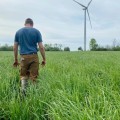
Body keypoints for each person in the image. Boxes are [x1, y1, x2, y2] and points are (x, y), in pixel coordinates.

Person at [13, 18, 46, 94]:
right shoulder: (37, 31)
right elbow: (41, 47)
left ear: (25, 24)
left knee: (24, 76)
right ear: (32, 24)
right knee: (34, 77)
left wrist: (16, 60)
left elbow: (15, 47)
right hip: (34, 56)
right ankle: (34, 95)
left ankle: (23, 94)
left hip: (23, 57)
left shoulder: (18, 32)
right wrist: (44, 59)